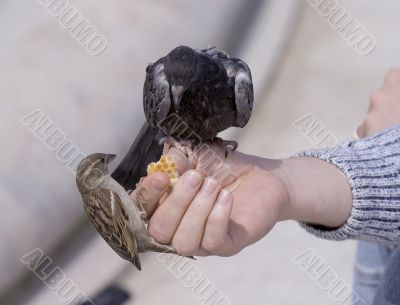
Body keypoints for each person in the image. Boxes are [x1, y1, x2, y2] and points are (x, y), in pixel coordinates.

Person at [133, 69, 400, 304]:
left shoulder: (232, 78)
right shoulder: (163, 80)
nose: (177, 95)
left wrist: (385, 146)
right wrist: (284, 183)